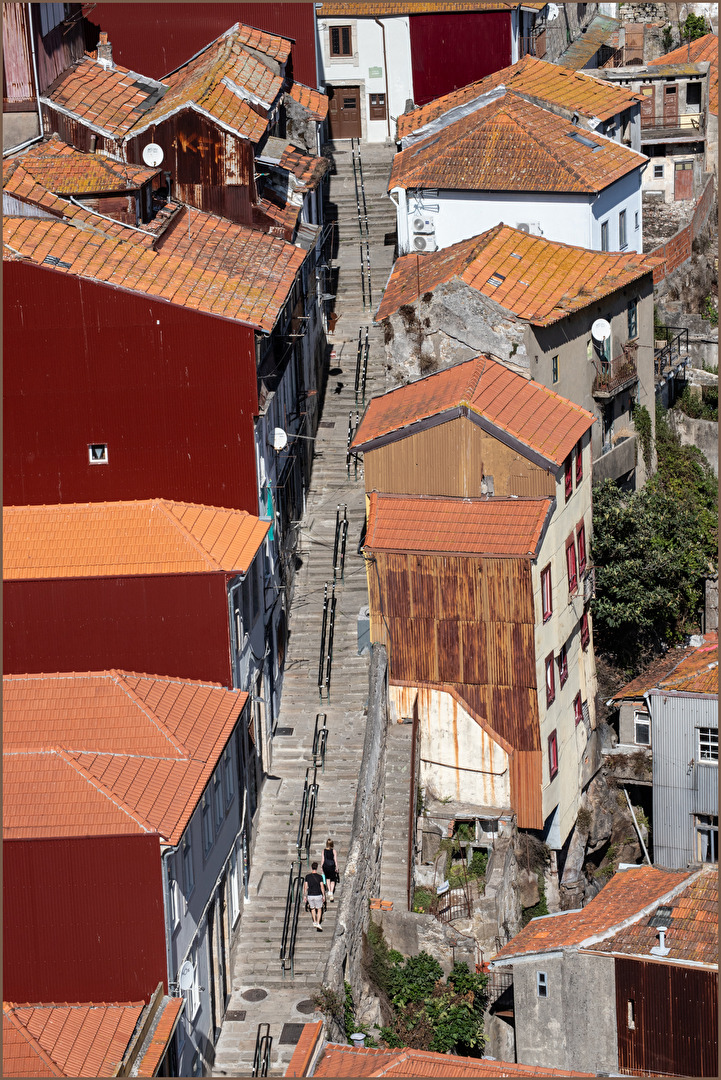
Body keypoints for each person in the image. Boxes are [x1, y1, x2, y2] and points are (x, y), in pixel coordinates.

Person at [303, 862, 326, 930]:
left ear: (311, 868)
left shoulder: (307, 876)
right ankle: (318, 923)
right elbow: (322, 887)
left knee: (312, 908)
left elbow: (305, 887)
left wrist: (305, 896)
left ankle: (314, 921)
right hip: (318, 894)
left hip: (310, 895)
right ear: (317, 868)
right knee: (319, 909)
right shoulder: (320, 877)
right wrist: (324, 895)